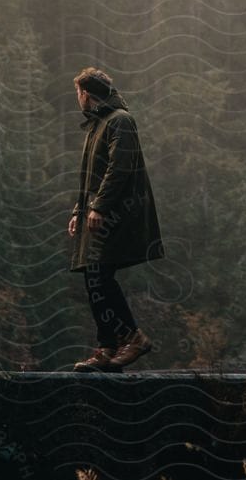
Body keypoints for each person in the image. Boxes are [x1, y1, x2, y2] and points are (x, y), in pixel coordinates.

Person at [67, 66, 164, 371]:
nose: (77, 99)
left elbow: (119, 169)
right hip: (99, 212)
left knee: (98, 274)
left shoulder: (120, 121)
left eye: (78, 93)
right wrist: (79, 211)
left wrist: (100, 208)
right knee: (94, 276)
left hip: (116, 214)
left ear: (86, 93)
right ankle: (108, 347)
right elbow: (91, 177)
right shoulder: (98, 124)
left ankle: (133, 338)